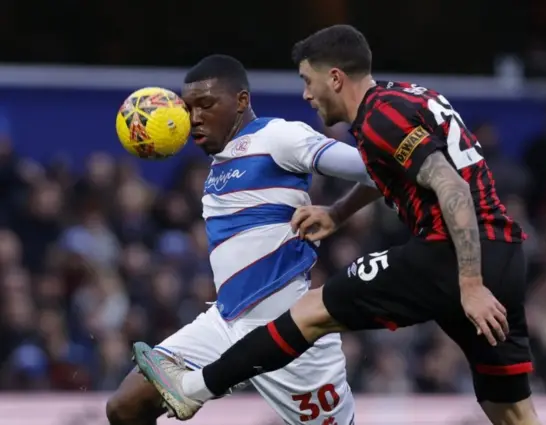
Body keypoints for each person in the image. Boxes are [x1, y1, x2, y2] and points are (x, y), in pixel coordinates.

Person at [132, 26, 541, 425]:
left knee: (311, 311)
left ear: (335, 77)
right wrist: (338, 213)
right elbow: (395, 171)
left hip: (447, 254)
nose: (306, 94)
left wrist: (469, 283)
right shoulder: (408, 96)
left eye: (308, 82)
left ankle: (192, 389)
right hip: (502, 255)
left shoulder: (377, 117)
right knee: (511, 411)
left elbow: (450, 184)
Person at [107, 54, 373, 425]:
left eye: (206, 105)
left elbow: (377, 167)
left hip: (290, 330)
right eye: (188, 108)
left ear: (242, 101)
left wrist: (339, 212)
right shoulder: (218, 166)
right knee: (125, 406)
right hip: (225, 322)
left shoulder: (278, 136)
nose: (194, 117)